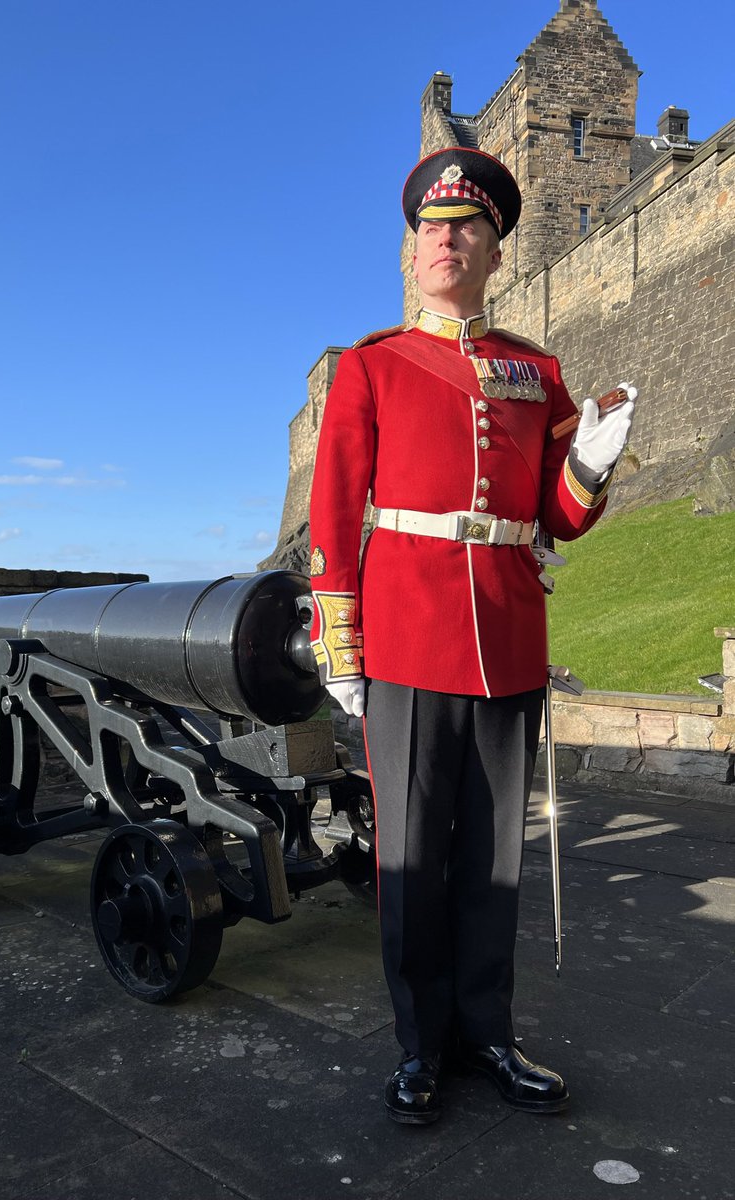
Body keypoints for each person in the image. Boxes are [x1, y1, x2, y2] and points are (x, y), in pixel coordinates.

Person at [308, 147, 634, 1125]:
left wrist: (595, 463)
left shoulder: (537, 372)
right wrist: (339, 641)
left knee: (495, 860)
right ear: (413, 255)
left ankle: (488, 1033)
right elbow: (334, 514)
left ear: (496, 251)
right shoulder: (372, 367)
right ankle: (420, 1045)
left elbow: (559, 515)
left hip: (509, 639)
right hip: (407, 641)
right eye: (430, 229)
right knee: (408, 861)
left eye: (468, 228)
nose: (446, 241)